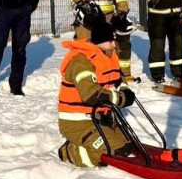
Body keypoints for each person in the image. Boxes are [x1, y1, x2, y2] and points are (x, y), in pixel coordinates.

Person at [57, 17, 136, 167]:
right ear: (99, 41)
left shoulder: (108, 55)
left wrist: (125, 90)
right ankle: (70, 151)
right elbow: (92, 95)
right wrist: (121, 99)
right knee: (109, 152)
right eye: (110, 41)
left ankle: (94, 139)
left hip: (100, 117)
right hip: (77, 121)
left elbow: (117, 79)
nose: (114, 44)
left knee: (126, 146)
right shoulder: (81, 61)